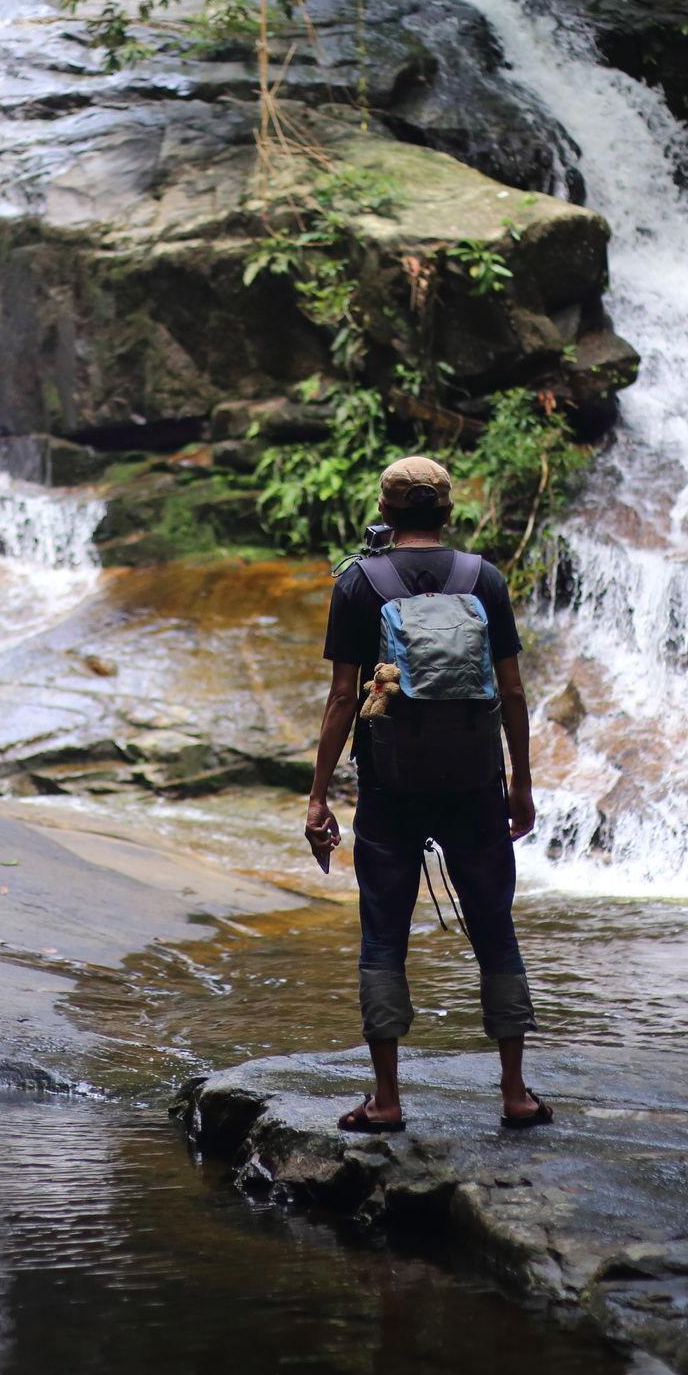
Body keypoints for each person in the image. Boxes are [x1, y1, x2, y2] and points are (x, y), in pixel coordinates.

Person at [302, 454, 549, 1132]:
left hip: (390, 787)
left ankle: (386, 1100)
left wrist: (318, 796)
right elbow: (513, 690)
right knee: (496, 931)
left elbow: (344, 698)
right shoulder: (484, 579)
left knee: (383, 936)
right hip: (475, 784)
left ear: (385, 513)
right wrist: (520, 786)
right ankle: (516, 1095)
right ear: (447, 512)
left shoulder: (360, 582)